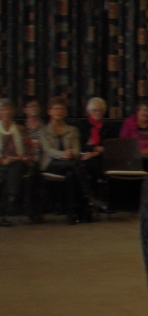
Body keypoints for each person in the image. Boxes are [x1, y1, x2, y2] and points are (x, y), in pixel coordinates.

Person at [39, 96, 92, 224]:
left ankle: (71, 214)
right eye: (56, 109)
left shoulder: (72, 130)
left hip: (69, 163)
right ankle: (88, 197)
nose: (59, 111)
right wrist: (63, 154)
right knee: (74, 165)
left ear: (65, 112)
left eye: (62, 109)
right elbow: (48, 150)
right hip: (51, 164)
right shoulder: (43, 130)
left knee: (70, 175)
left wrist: (71, 153)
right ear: (50, 111)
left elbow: (77, 149)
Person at [79, 96, 118, 211]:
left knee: (97, 162)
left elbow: (111, 146)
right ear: (89, 112)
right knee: (89, 164)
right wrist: (95, 148)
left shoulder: (109, 127)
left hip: (104, 157)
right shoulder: (83, 126)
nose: (98, 113)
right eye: (95, 110)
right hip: (85, 156)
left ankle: (100, 201)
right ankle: (94, 200)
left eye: (100, 110)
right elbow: (80, 145)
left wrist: (94, 152)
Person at [119, 98, 148, 170]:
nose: (147, 113)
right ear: (138, 111)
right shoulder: (128, 123)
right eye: (145, 110)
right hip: (133, 154)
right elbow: (123, 143)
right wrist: (139, 152)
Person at [0, 99, 26, 226]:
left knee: (16, 166)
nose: (6, 112)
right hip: (1, 162)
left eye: (8, 109)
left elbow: (28, 150)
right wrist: (3, 160)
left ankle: (12, 198)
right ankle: (10, 202)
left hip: (17, 162)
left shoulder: (20, 129)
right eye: (3, 109)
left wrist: (15, 158)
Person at [19, 98, 44, 223]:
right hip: (24, 158)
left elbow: (46, 145)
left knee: (33, 173)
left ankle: (33, 211)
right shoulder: (20, 127)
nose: (34, 108)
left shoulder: (44, 127)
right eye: (31, 106)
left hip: (40, 158)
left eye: (36, 106)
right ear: (25, 110)